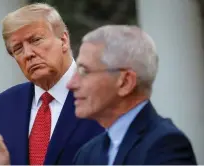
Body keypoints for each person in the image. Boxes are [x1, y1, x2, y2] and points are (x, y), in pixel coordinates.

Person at [0, 3, 103, 165]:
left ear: (63, 39)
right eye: (18, 48)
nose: (28, 54)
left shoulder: (104, 92)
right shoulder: (0, 108)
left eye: (36, 40)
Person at [67, 25, 197, 165]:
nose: (70, 84)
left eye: (84, 71)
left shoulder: (166, 146)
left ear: (125, 82)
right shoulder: (87, 154)